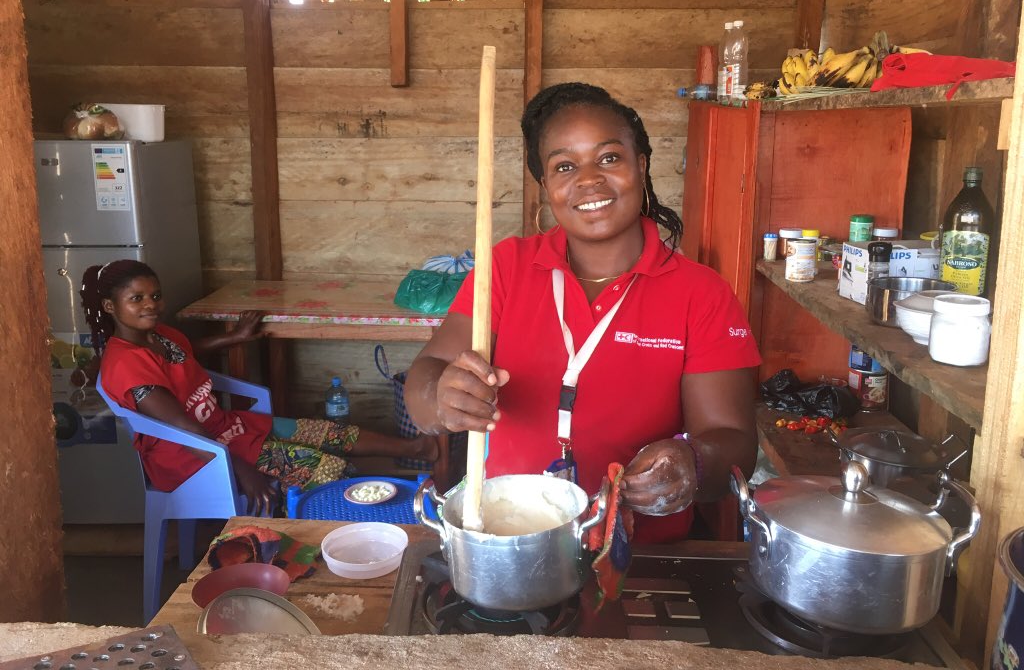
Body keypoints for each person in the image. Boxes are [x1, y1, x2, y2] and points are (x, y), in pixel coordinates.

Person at [404, 82, 761, 543]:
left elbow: (733, 439)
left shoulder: (702, 293)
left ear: (641, 165)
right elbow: (424, 382)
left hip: (640, 553)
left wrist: (692, 462)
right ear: (547, 186)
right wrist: (442, 396)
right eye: (564, 166)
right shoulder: (506, 268)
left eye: (609, 158)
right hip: (508, 540)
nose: (589, 180)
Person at [81, 260, 438, 515]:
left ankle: (417, 448)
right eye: (137, 299)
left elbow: (186, 352)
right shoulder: (126, 363)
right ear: (111, 307)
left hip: (226, 429)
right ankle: (345, 537)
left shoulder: (157, 336)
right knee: (332, 469)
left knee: (327, 431)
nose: (151, 305)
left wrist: (233, 338)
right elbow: (182, 427)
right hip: (193, 455)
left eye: (155, 296)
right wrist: (240, 468)